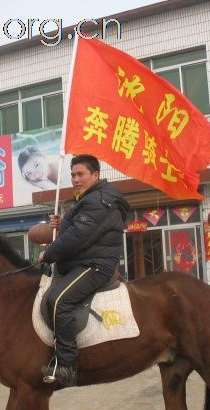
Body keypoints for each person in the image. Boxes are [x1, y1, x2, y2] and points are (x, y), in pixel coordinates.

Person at [39, 154, 130, 386]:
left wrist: (48, 254)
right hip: (84, 261)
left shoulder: (99, 199)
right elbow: (78, 229)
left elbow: (77, 237)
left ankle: (67, 366)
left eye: (81, 174)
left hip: (95, 264)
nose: (75, 179)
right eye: (73, 175)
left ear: (95, 175)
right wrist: (62, 224)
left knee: (60, 300)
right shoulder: (86, 199)